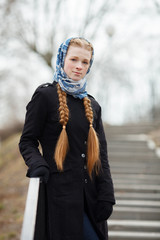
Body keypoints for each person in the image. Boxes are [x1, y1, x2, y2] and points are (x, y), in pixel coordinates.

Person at [19, 37, 115, 240]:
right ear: (62, 59)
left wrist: (107, 195)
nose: (79, 66)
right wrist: (38, 164)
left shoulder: (93, 106)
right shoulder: (45, 96)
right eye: (74, 59)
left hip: (91, 200)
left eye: (85, 62)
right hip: (58, 199)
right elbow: (27, 140)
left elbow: (101, 157)